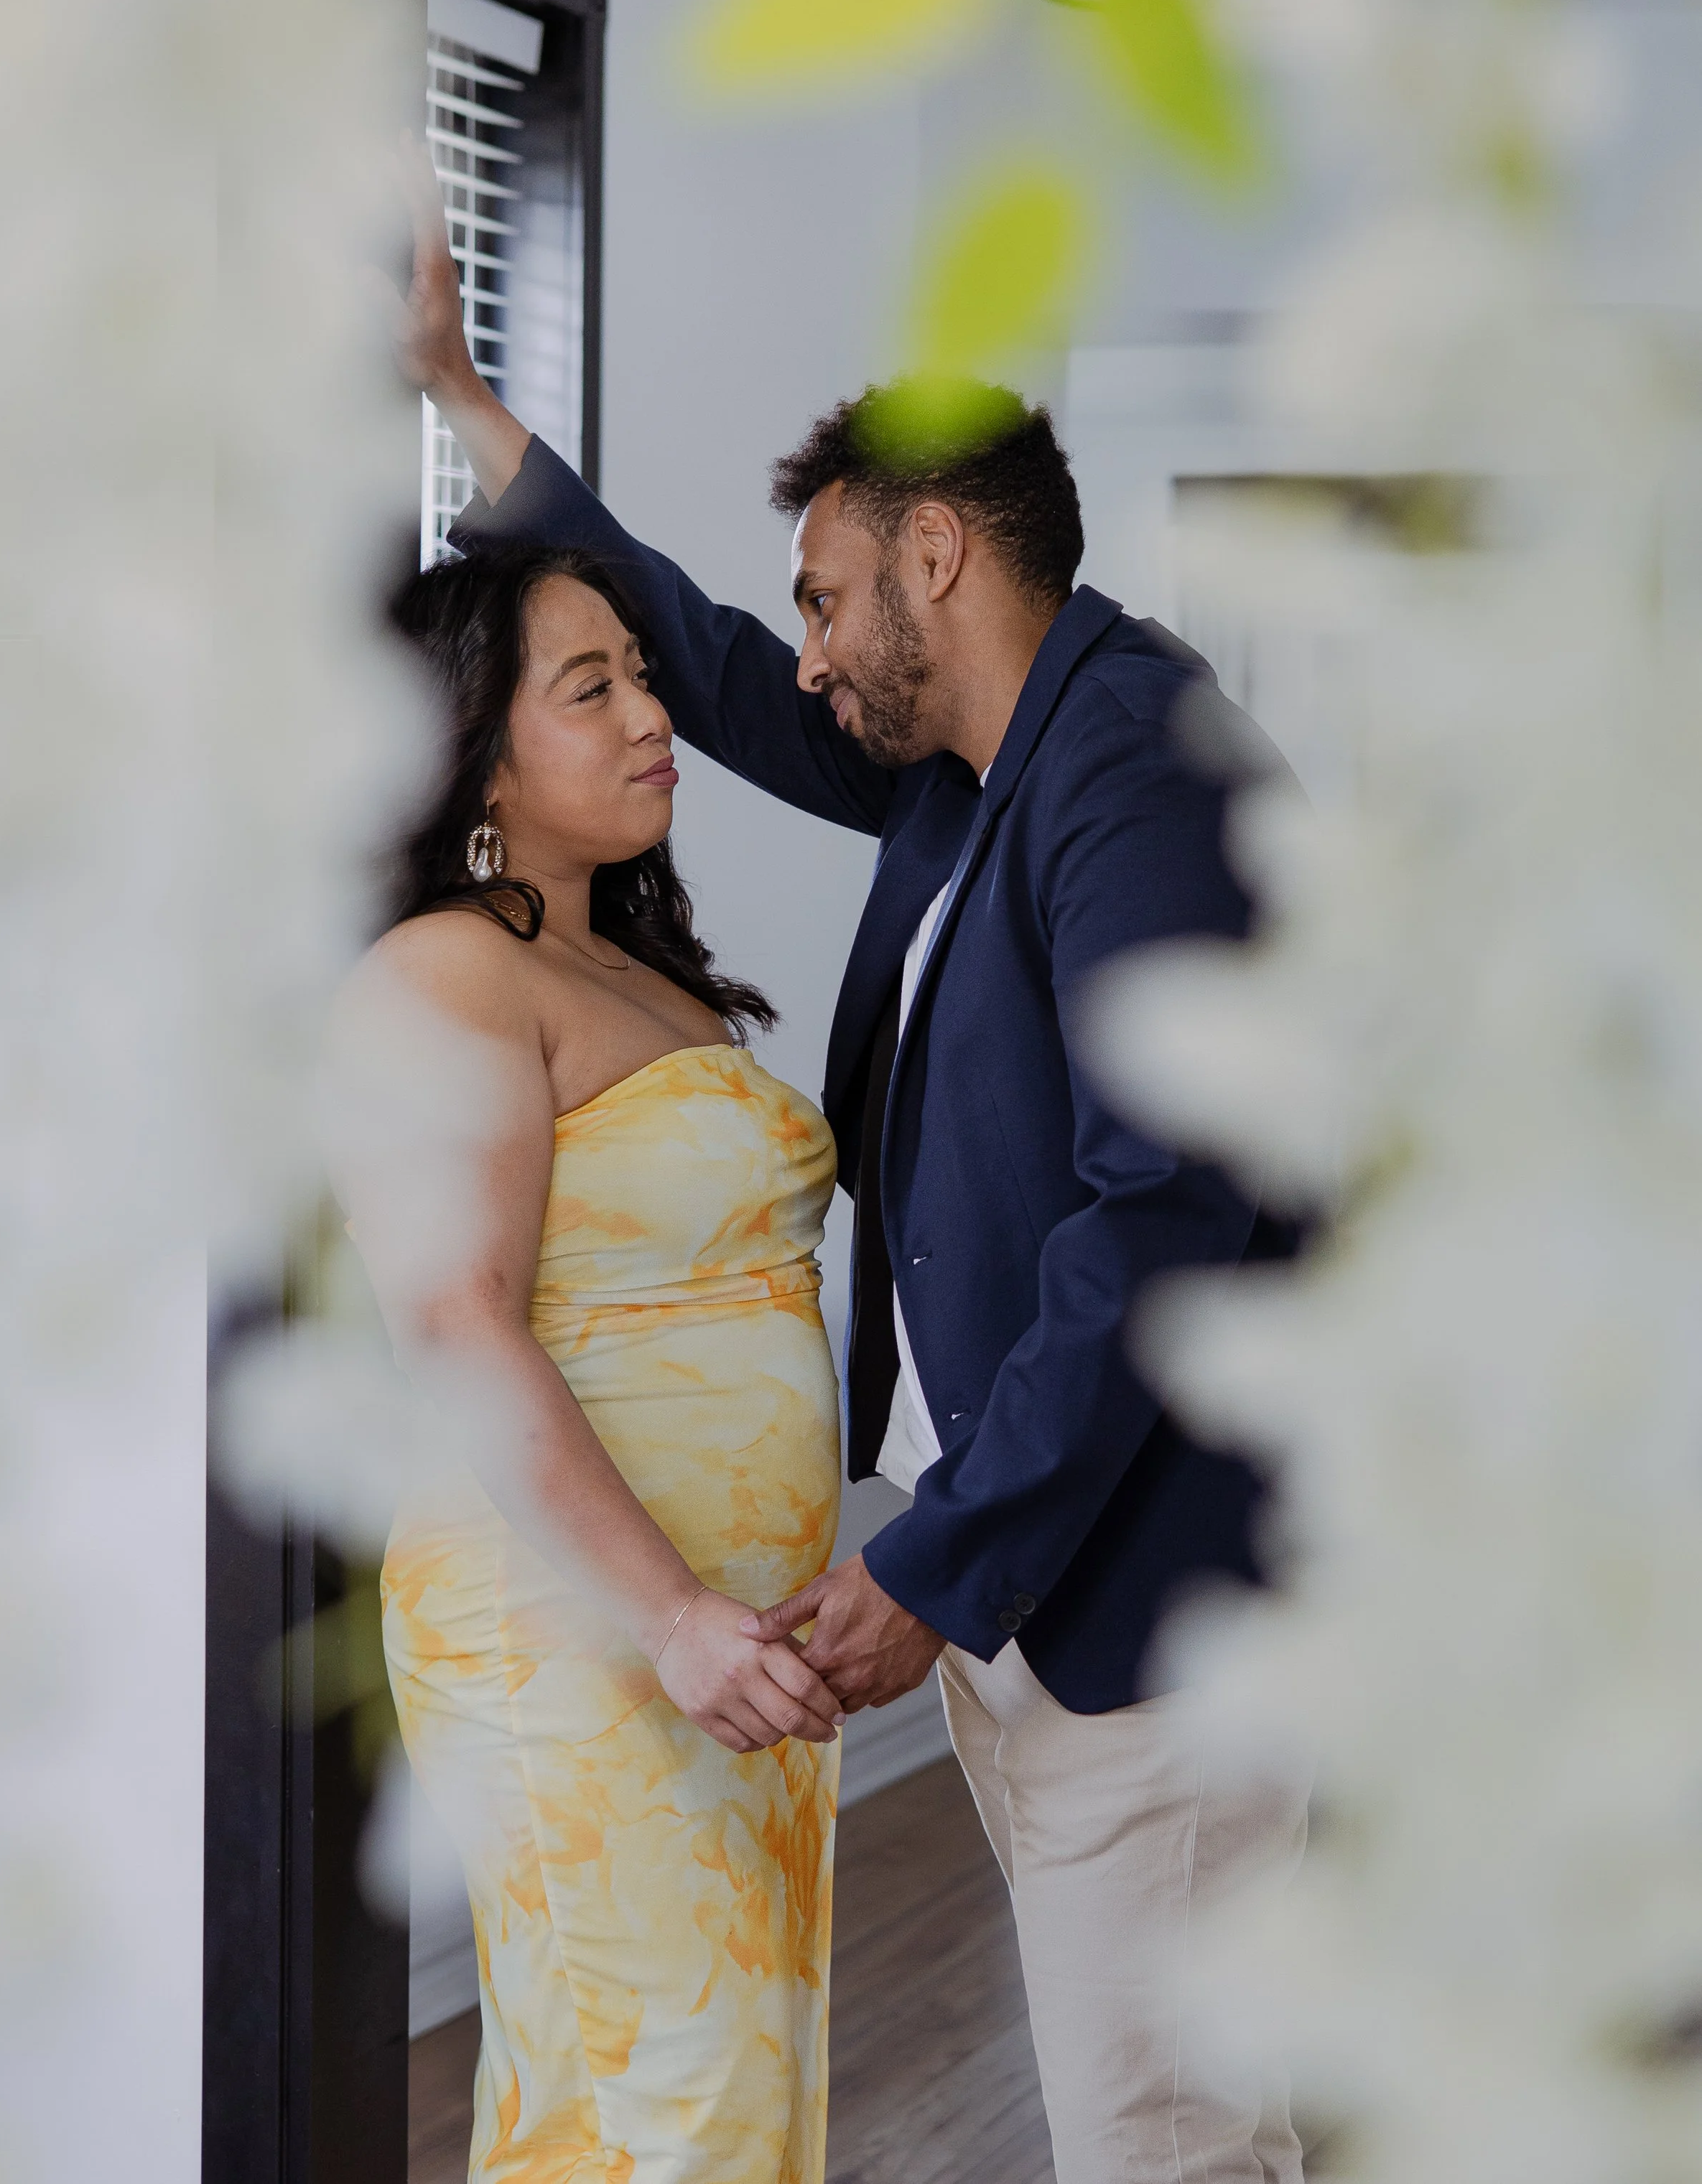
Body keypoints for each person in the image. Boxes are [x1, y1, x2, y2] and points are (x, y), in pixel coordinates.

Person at [396, 192, 1308, 2184]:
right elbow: (702, 669)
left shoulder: (1130, 769)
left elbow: (1156, 1218)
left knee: (1163, 2140)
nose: (794, 660)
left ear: (930, 551)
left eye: (822, 599)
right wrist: (469, 410)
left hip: (1134, 1608)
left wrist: (931, 1557)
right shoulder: (967, 772)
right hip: (985, 1603)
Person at [329, 540, 849, 2184]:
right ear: (473, 745)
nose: (652, 714)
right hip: (581, 1625)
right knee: (670, 2099)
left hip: (712, 1638)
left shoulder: (619, 961)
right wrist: (673, 1611)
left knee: (670, 2098)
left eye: (640, 671)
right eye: (592, 686)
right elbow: (453, 1321)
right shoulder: (442, 971)